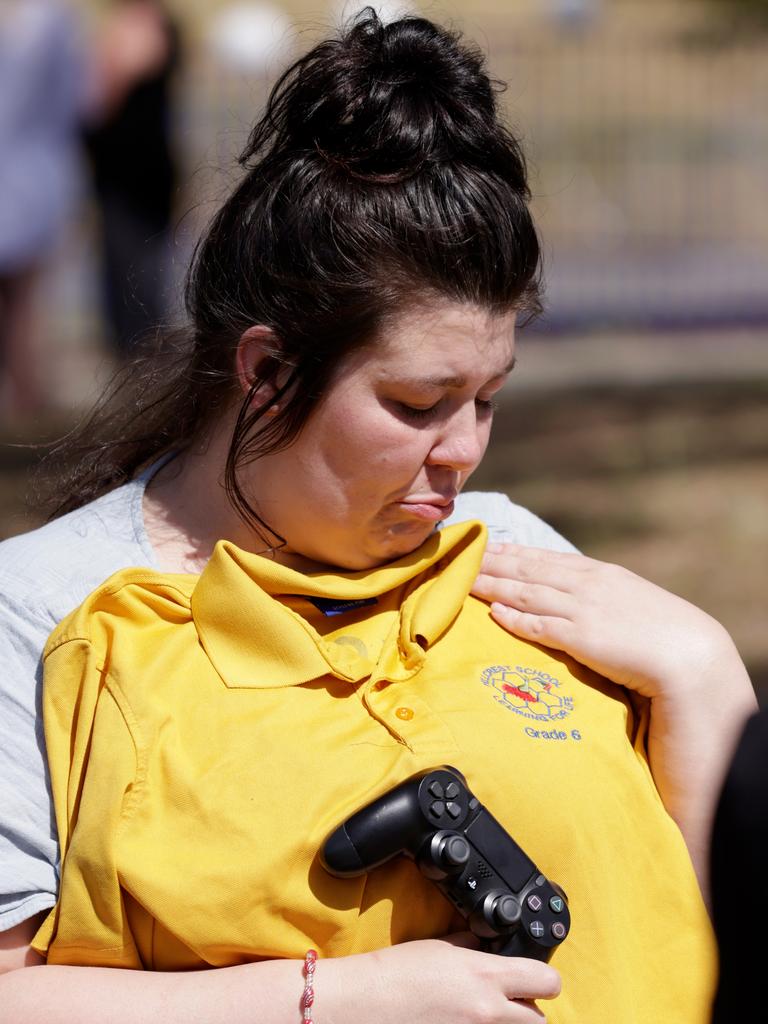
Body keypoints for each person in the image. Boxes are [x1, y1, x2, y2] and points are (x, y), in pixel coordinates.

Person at [0, 10, 756, 1022]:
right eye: (415, 405)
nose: (463, 451)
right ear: (265, 371)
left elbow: (708, 909)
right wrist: (336, 997)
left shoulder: (519, 553)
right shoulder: (45, 613)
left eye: (488, 398)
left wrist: (704, 676)